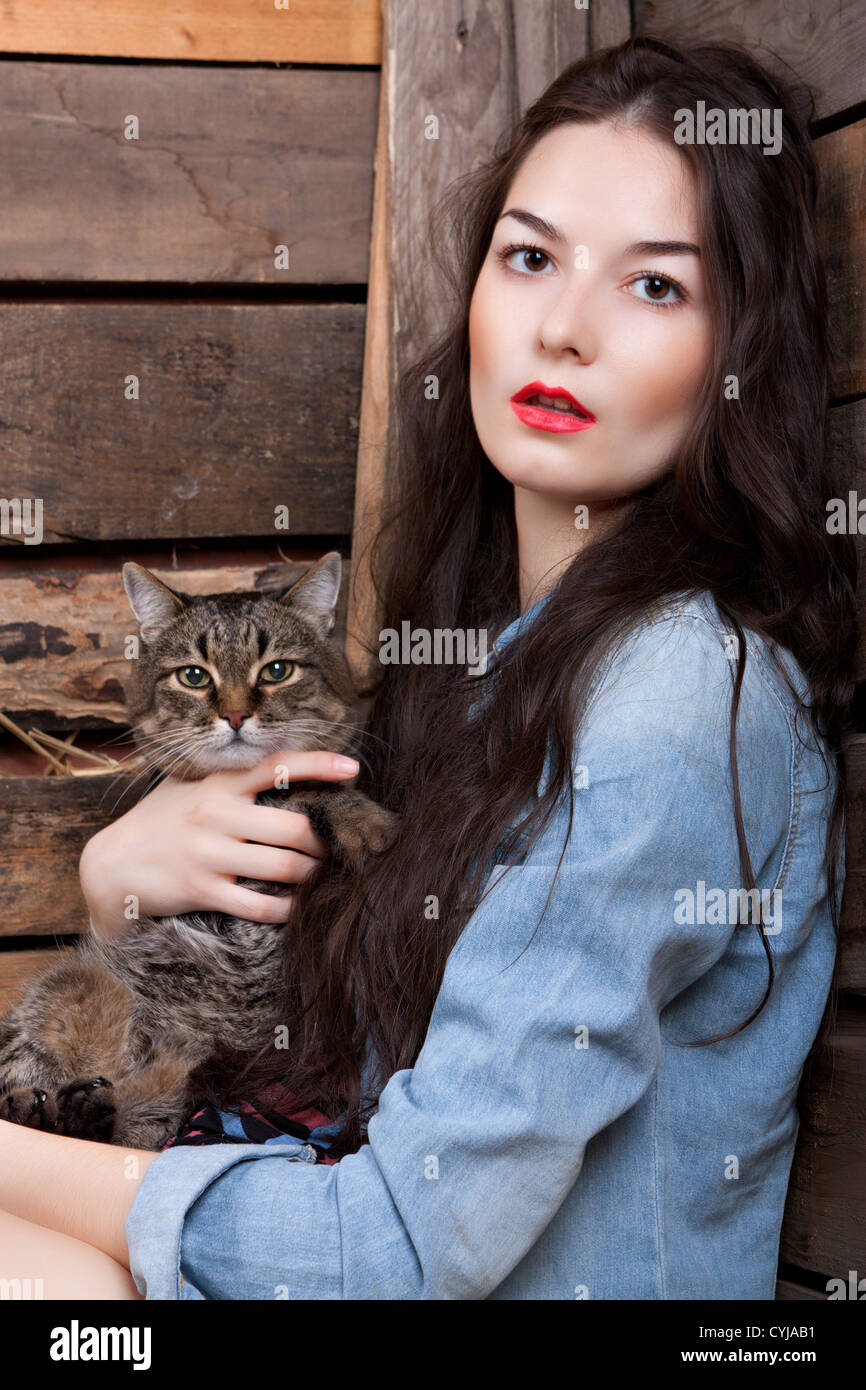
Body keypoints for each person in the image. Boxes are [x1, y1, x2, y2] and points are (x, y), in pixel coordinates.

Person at [0, 36, 854, 1300]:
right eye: (529, 256)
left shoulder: (678, 698)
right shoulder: (487, 664)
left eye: (655, 287)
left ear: (744, 347)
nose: (561, 327)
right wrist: (117, 883)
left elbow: (391, 1251)